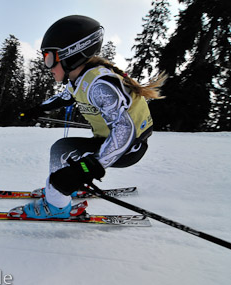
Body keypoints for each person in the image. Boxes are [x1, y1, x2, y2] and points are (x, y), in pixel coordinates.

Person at [15, 15, 166, 219]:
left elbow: (125, 129)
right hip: (114, 142)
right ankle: (60, 189)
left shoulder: (100, 86)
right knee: (67, 153)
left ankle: (57, 206)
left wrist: (89, 167)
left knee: (61, 150)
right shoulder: (81, 80)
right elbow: (65, 97)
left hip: (129, 147)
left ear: (71, 55)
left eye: (49, 58)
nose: (48, 66)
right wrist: (37, 109)